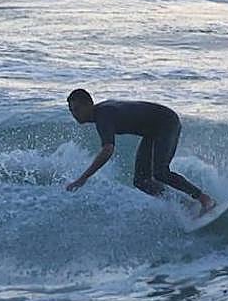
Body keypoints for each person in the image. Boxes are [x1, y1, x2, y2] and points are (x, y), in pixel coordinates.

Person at [65, 88, 215, 212]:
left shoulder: (103, 115)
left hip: (166, 122)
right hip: (152, 131)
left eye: (77, 109)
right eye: (71, 110)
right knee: (141, 181)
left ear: (89, 104)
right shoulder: (102, 113)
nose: (74, 114)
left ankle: (204, 199)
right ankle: (186, 205)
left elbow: (108, 149)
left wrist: (82, 178)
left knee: (160, 172)